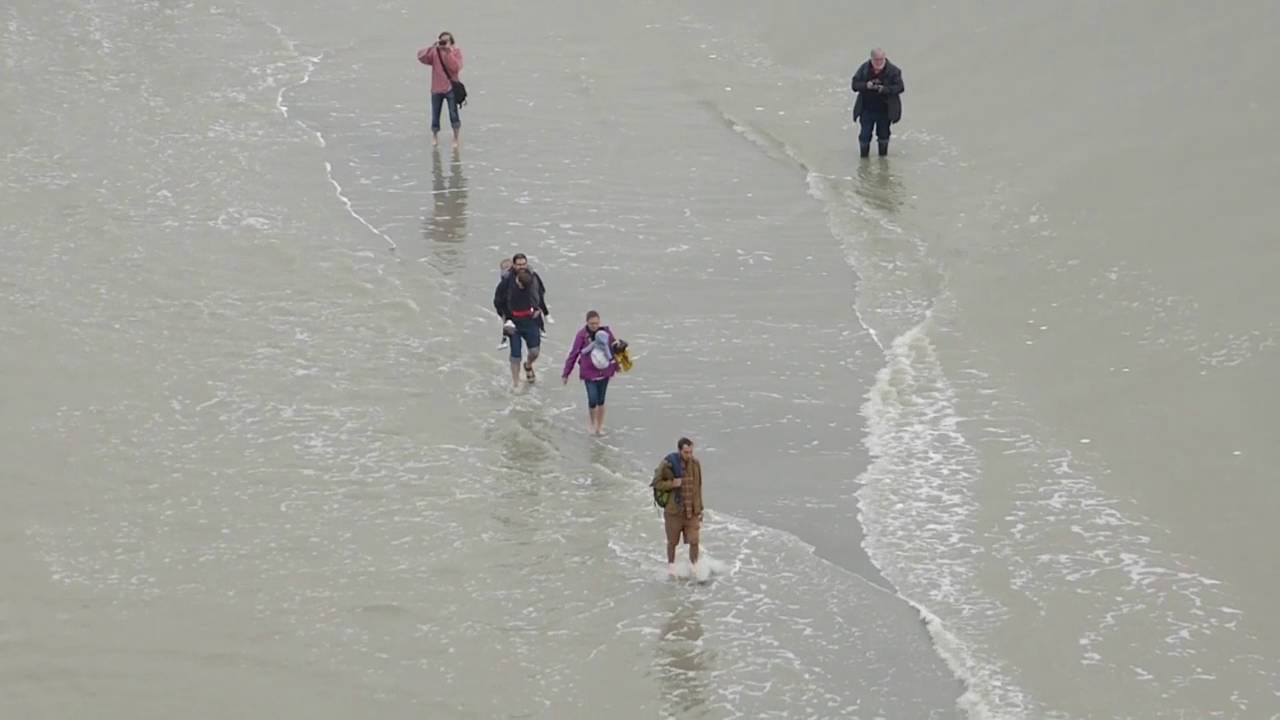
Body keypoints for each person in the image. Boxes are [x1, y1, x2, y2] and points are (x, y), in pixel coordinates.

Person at [561, 311, 627, 435]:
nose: (594, 326)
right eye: (591, 324)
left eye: (596, 323)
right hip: (589, 373)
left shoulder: (606, 333)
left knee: (601, 400)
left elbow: (613, 350)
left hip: (605, 371)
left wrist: (618, 364)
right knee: (592, 399)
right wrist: (566, 373)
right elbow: (574, 354)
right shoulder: (581, 335)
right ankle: (592, 423)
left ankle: (600, 426)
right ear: (587, 322)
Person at [493, 254, 550, 388]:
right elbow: (497, 300)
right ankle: (516, 383)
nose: (521, 266)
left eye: (523, 264)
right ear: (513, 265)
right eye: (518, 264)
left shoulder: (533, 277)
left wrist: (539, 310)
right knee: (515, 354)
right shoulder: (506, 281)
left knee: (535, 351)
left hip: (531, 321)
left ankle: (528, 365)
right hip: (513, 322)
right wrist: (504, 316)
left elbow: (540, 294)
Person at [652, 437, 704, 578]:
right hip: (674, 511)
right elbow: (656, 483)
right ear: (680, 451)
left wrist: (700, 509)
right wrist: (672, 484)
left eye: (691, 452)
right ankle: (671, 567)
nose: (689, 455)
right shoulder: (668, 464)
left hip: (691, 510)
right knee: (672, 542)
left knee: (694, 540)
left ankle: (694, 568)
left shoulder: (696, 464)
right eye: (686, 452)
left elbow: (698, 487)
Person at [851, 48, 904, 158]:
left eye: (881, 59)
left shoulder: (894, 71)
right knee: (864, 136)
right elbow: (854, 85)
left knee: (884, 136)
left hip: (885, 110)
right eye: (876, 60)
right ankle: (864, 161)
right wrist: (866, 85)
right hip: (866, 109)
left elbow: (900, 87)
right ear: (871, 59)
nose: (879, 62)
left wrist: (885, 89)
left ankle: (883, 161)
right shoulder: (864, 69)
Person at [417, 31, 464, 149]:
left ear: (451, 42)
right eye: (442, 40)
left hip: (450, 88)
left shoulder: (455, 52)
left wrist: (448, 53)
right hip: (436, 88)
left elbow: (456, 68)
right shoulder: (435, 52)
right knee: (435, 114)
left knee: (453, 114)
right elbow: (420, 57)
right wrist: (432, 47)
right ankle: (434, 136)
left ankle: (456, 137)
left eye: (446, 41)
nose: (443, 43)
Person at [497, 258, 513, 349]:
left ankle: (504, 340)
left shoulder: (508, 276)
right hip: (506, 305)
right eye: (504, 267)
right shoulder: (504, 277)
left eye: (508, 267)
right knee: (506, 321)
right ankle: (504, 340)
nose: (506, 269)